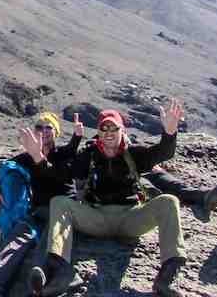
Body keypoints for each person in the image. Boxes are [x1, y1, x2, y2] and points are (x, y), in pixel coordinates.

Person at [32, 100, 185, 297]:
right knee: (59, 202)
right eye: (104, 128)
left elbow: (163, 152)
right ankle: (60, 271)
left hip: (131, 218)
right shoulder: (89, 154)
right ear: (99, 132)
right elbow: (63, 174)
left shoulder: (134, 153)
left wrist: (170, 133)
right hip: (96, 217)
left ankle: (167, 277)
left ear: (122, 130)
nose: (109, 132)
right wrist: (39, 159)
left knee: (169, 201)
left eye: (114, 127)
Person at [0, 111, 81, 297]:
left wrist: (40, 157)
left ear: (56, 132)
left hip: (64, 212)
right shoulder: (27, 158)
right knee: (19, 234)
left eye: (48, 127)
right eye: (39, 127)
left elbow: (58, 176)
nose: (43, 131)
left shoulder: (65, 154)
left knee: (48, 234)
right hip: (38, 211)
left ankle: (39, 276)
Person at [142, 166, 217, 222]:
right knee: (151, 188)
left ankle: (203, 197)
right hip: (135, 177)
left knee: (176, 185)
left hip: (149, 171)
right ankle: (199, 202)